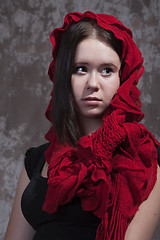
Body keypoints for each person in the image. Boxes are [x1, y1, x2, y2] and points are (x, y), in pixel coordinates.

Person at [4, 11, 160, 240]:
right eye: (81, 69)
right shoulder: (36, 161)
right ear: (64, 76)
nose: (93, 84)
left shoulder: (144, 156)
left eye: (107, 70)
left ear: (123, 78)